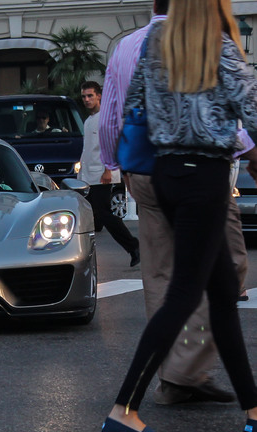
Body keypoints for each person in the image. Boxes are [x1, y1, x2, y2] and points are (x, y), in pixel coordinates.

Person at [100, 1, 257, 431]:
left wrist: (119, 163)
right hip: (204, 177)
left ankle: (253, 409)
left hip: (164, 172)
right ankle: (123, 409)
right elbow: (252, 112)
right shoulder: (219, 47)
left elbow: (130, 109)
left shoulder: (154, 44)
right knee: (185, 293)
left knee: (222, 293)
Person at [78, 81, 140, 267]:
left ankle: (132, 246)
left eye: (90, 95)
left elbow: (113, 145)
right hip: (88, 176)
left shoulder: (107, 118)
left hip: (101, 175)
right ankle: (85, 257)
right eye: (84, 96)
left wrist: (108, 170)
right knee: (90, 217)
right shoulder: (89, 120)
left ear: (99, 96)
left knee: (102, 213)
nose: (87, 100)